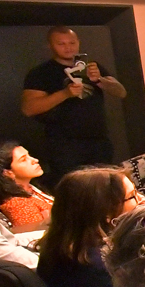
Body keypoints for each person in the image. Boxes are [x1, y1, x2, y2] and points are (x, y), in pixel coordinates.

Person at [21, 26, 126, 182]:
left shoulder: (91, 67)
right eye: (61, 44)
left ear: (78, 43)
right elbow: (28, 109)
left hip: (98, 141)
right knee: (72, 189)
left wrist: (99, 80)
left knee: (105, 187)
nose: (68, 47)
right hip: (64, 145)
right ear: (50, 46)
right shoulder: (41, 73)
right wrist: (65, 93)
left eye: (72, 42)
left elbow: (121, 92)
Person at [37, 167, 138, 287]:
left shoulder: (57, 250)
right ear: (108, 212)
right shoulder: (103, 266)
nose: (142, 200)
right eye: (132, 196)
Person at [0, 142, 53, 228]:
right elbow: (35, 238)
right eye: (23, 160)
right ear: (7, 172)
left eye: (29, 156)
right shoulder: (18, 205)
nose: (35, 160)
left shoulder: (31, 189)